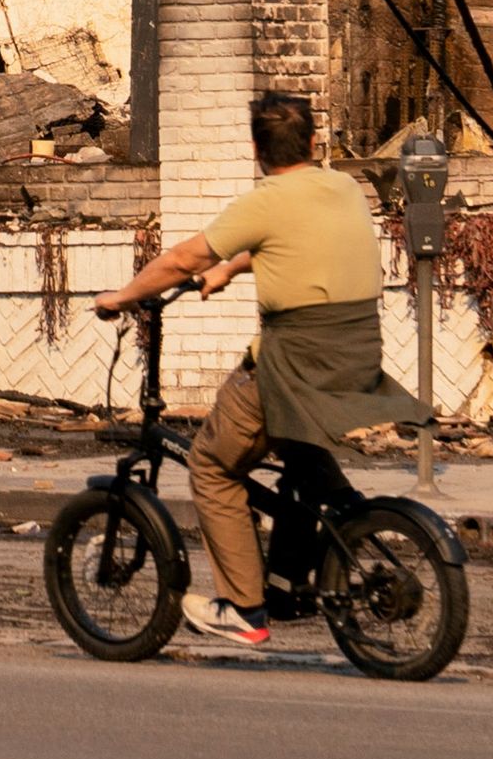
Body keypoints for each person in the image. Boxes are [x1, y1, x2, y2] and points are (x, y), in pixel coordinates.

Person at [93, 89, 426, 645]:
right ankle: (332, 529)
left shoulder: (265, 200)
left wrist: (123, 297)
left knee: (213, 466)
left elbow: (180, 260)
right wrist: (234, 267)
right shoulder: (344, 187)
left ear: (255, 149)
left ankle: (243, 609)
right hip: (355, 359)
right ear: (315, 143)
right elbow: (296, 244)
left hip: (291, 368)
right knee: (296, 454)